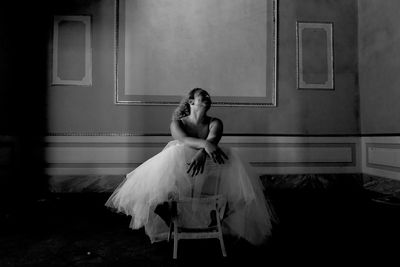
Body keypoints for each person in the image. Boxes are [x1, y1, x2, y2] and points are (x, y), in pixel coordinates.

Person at [105, 88, 276, 245]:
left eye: (208, 96)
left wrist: (203, 152)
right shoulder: (177, 123)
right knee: (150, 191)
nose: (208, 98)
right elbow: (185, 140)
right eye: (203, 96)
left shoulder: (215, 122)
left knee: (241, 187)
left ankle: (216, 219)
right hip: (180, 162)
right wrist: (206, 146)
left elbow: (213, 141)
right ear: (191, 102)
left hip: (207, 162)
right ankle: (172, 219)